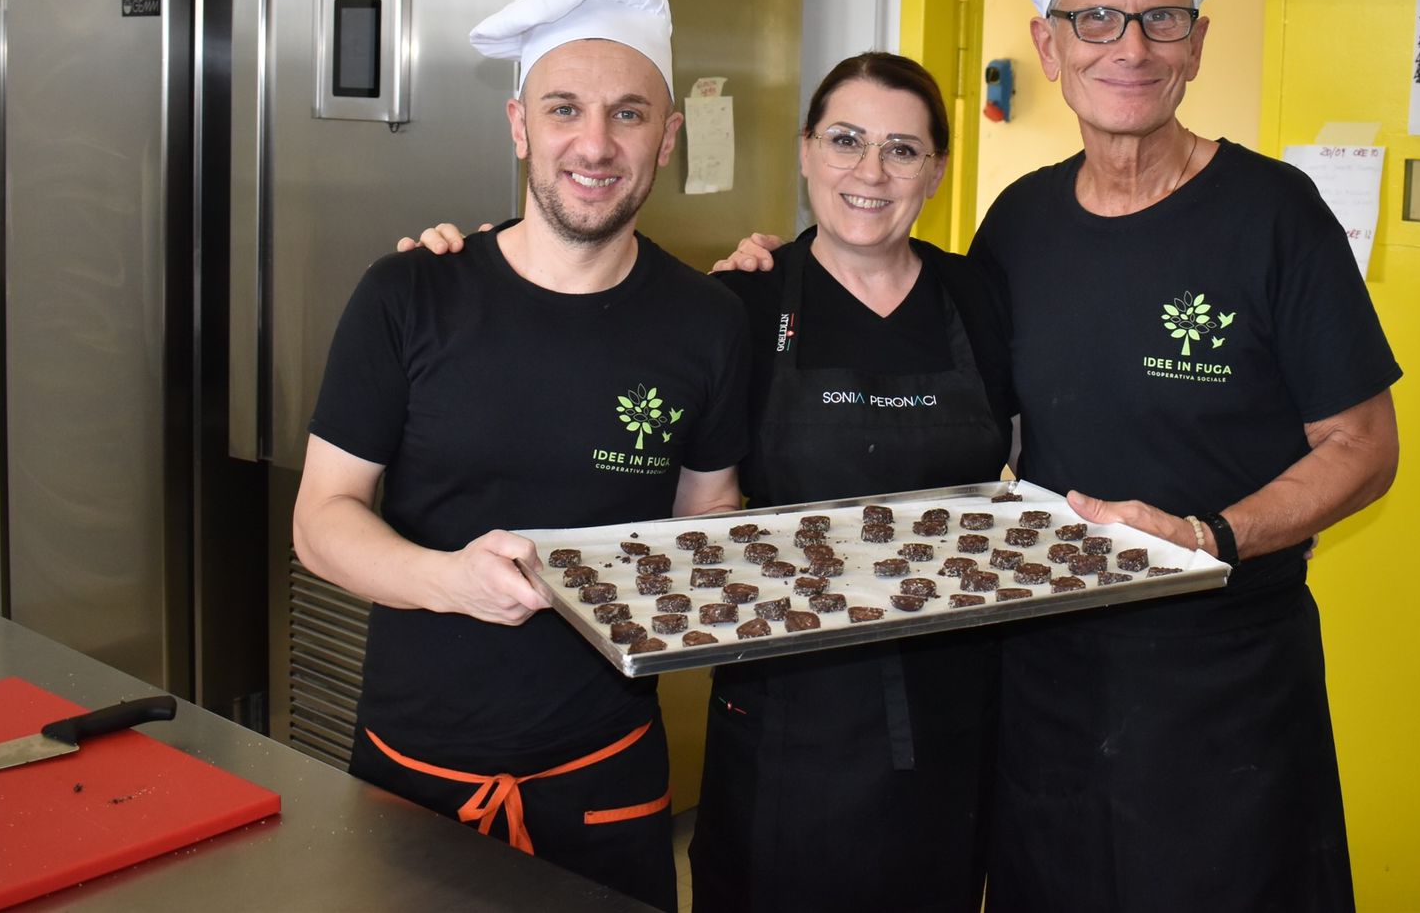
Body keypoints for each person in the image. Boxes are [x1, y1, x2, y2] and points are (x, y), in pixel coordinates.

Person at [719, 0, 1402, 912]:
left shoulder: (1274, 215)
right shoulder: (1018, 224)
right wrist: (769, 272)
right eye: (1095, 20)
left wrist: (1209, 533)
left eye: (1159, 19)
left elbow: (1363, 444)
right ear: (1047, 44)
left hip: (1217, 679)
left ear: (1196, 44)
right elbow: (915, 341)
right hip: (1039, 673)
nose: (1128, 47)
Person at [406, 51, 1016, 912]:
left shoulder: (981, 298)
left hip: (955, 697)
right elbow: (674, 486)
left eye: (903, 150)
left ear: (937, 170)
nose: (870, 172)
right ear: (805, 152)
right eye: (845, 140)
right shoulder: (737, 303)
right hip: (787, 710)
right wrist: (461, 268)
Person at [293, 0, 750, 913]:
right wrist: (447, 580)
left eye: (629, 113)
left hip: (607, 783)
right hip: (410, 779)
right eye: (564, 108)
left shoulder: (707, 324)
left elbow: (705, 515)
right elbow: (322, 518)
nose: (595, 142)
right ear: (518, 126)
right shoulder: (408, 293)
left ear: (666, 137)